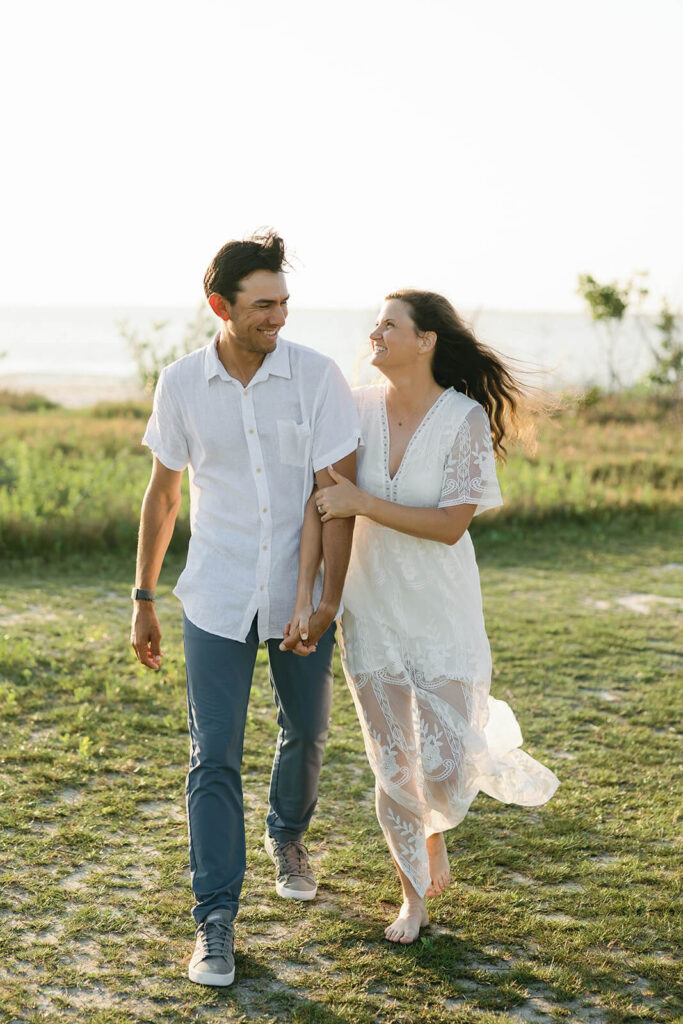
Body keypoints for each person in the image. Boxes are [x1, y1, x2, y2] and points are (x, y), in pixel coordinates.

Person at [282, 289, 559, 944]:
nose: (374, 333)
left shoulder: (461, 418)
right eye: (375, 324)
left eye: (389, 325)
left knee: (440, 765)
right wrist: (312, 595)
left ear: (426, 340)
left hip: (440, 606)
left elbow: (448, 525)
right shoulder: (351, 407)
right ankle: (412, 896)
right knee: (392, 761)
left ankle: (434, 828)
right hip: (369, 605)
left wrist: (363, 503)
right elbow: (322, 505)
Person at [130, 230, 360, 986]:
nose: (279, 317)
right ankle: (215, 919)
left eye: (285, 302)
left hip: (297, 601)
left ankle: (287, 834)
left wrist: (324, 600)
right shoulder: (180, 385)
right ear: (219, 306)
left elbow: (336, 497)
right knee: (214, 755)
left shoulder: (317, 377)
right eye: (263, 306)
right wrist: (143, 598)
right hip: (216, 595)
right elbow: (164, 495)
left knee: (307, 730)